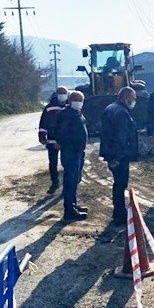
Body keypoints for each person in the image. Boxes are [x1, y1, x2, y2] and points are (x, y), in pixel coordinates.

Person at [100, 87, 139, 225]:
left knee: (118, 184)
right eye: (134, 98)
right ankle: (120, 215)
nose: (135, 101)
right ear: (127, 97)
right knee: (120, 184)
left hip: (111, 153)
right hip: (119, 155)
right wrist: (117, 157)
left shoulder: (110, 108)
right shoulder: (122, 113)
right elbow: (120, 137)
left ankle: (118, 212)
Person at [54, 91, 88, 222]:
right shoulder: (65, 115)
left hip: (78, 152)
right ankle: (69, 210)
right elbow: (61, 133)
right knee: (70, 181)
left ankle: (73, 205)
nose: (79, 102)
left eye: (80, 100)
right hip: (70, 152)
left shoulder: (77, 113)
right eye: (76, 100)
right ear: (70, 101)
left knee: (75, 180)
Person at [38, 86, 69, 194]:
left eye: (64, 93)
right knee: (53, 163)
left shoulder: (69, 107)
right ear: (57, 94)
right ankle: (55, 183)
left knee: (67, 164)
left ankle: (66, 186)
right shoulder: (49, 108)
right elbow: (43, 123)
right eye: (61, 93)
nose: (63, 95)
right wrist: (42, 136)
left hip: (66, 142)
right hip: (52, 140)